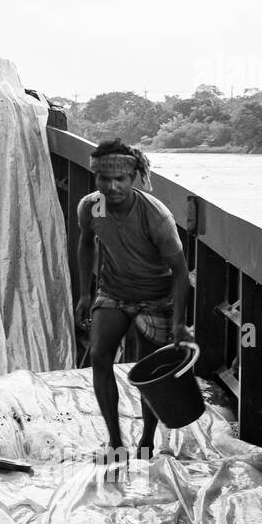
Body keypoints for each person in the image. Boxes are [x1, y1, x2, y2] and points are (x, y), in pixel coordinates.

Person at [75, 138, 195, 462]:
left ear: (134, 178)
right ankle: (115, 441)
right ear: (96, 177)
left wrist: (179, 323)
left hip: (155, 297)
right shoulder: (92, 206)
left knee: (147, 370)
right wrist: (86, 293)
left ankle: (147, 438)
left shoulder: (155, 216)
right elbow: (86, 242)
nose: (112, 187)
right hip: (114, 292)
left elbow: (181, 272)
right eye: (104, 179)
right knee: (100, 356)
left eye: (121, 180)